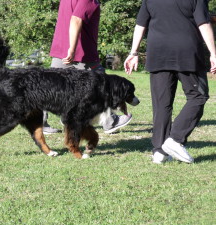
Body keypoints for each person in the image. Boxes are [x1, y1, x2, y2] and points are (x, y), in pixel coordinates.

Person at [124, 0, 216, 164]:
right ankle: (175, 140)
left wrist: (134, 52)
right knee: (198, 96)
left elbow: (140, 24)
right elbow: (203, 22)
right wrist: (213, 53)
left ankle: (159, 151)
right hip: (187, 52)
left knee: (162, 104)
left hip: (158, 52)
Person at [43, 0, 133, 134]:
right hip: (80, 52)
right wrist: (72, 49)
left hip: (61, 48)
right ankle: (111, 121)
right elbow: (76, 20)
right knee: (102, 84)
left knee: (49, 87)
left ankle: (43, 122)